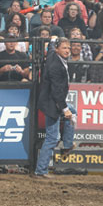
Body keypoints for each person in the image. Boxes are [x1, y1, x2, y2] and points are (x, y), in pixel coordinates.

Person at [34, 37, 76, 178]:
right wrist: (65, 109)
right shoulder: (56, 67)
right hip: (52, 104)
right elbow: (57, 92)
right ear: (58, 49)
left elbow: (50, 47)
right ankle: (41, 170)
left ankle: (67, 145)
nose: (67, 51)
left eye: (68, 48)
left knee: (73, 110)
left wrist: (53, 40)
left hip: (51, 100)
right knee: (53, 137)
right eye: (64, 48)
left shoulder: (53, 54)